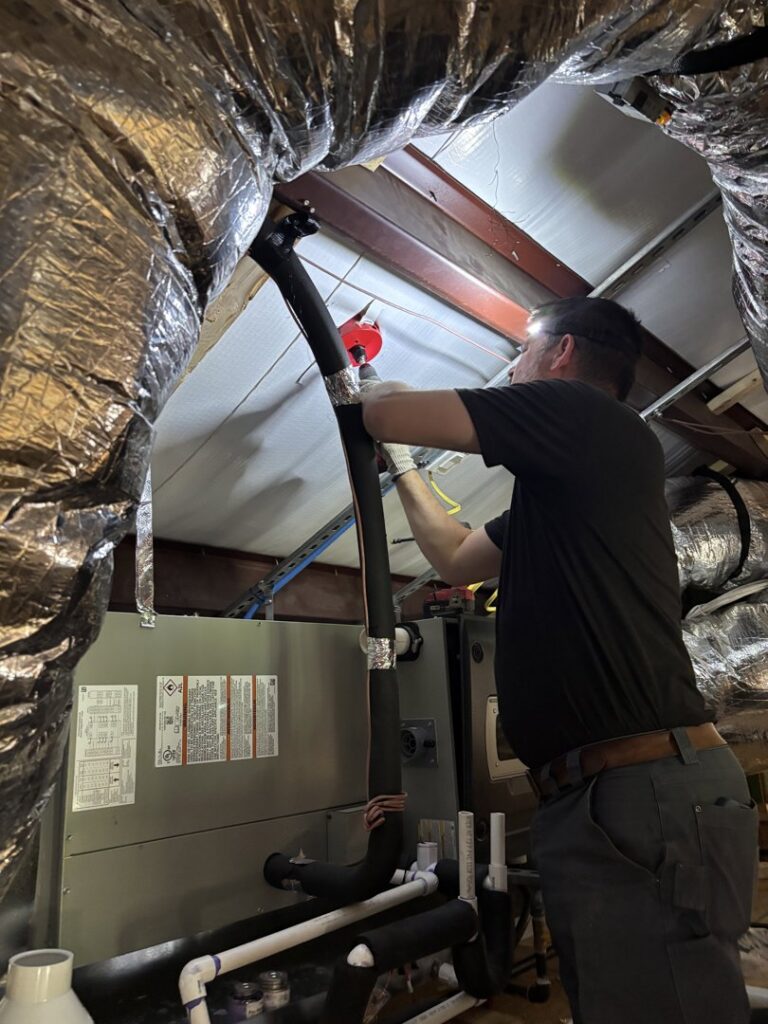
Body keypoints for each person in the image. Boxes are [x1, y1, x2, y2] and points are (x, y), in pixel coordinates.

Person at [360, 297, 758, 1024]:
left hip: (640, 797)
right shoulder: (564, 491)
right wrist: (408, 470)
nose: (514, 367)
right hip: (614, 800)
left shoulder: (585, 416)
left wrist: (367, 377)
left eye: (525, 350)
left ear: (563, 353)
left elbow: (383, 413)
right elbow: (453, 555)